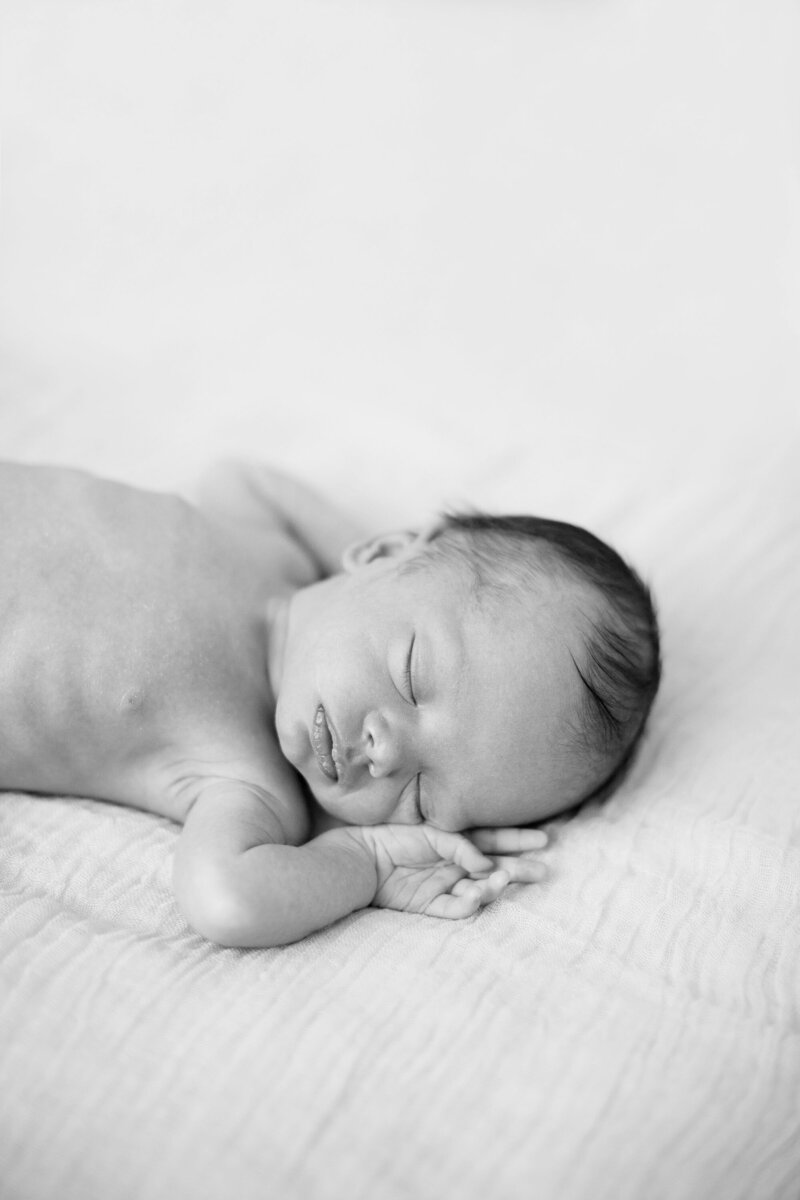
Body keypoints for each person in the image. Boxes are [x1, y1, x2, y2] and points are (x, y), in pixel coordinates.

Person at [0, 459, 660, 947]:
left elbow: (228, 902)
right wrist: (367, 576)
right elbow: (240, 474)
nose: (388, 752)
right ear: (382, 551)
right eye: (411, 675)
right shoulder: (265, 542)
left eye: (423, 799)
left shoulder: (249, 782)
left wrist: (362, 862)